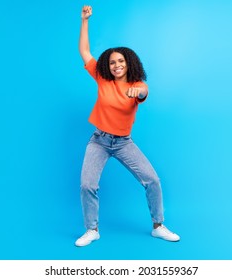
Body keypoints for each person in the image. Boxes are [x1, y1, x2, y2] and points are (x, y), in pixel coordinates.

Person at [75, 5, 180, 247]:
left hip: (123, 143)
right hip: (99, 141)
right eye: (112, 62)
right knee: (87, 184)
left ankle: (158, 226)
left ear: (128, 63)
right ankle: (92, 230)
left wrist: (139, 91)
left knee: (152, 180)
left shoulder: (138, 84)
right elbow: (84, 51)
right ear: (107, 66)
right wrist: (84, 21)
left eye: (120, 61)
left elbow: (143, 92)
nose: (116, 65)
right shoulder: (102, 78)